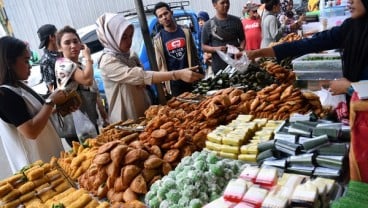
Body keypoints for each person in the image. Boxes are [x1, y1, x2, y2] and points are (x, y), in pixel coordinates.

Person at [244, 0, 368, 182]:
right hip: (359, 118)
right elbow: (308, 44)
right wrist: (258, 53)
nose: (349, 1)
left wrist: (350, 86)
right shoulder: (352, 26)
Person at [96, 13, 203, 123]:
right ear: (111, 37)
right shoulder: (107, 61)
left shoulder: (130, 54)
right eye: (123, 37)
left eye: (130, 36)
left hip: (144, 113)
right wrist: (177, 74)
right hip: (125, 119)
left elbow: (143, 79)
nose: (129, 41)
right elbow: (141, 76)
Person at [0, 36, 70, 173]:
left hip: (49, 159)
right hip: (36, 168)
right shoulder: (4, 95)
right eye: (26, 61)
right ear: (9, 62)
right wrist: (51, 101)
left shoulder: (19, 86)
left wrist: (60, 108)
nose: (30, 65)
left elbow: (36, 114)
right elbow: (30, 131)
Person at [55, 25, 108, 135]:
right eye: (67, 43)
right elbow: (87, 80)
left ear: (81, 44)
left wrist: (103, 115)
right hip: (77, 125)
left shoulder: (80, 65)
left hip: (89, 120)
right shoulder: (63, 64)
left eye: (75, 41)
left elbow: (94, 90)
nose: (73, 46)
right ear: (59, 48)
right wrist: (88, 57)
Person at [153, 2, 203, 97]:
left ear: (171, 13)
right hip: (174, 83)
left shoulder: (185, 31)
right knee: (180, 109)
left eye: (166, 13)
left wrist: (199, 70)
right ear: (159, 20)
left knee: (197, 107)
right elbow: (159, 64)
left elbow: (194, 53)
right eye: (160, 16)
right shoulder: (158, 39)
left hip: (190, 77)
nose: (164, 17)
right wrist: (163, 84)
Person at [201, 0, 245, 74]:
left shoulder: (236, 21)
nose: (226, 5)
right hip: (219, 67)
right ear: (215, 5)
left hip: (236, 65)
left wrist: (240, 50)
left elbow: (243, 39)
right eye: (222, 3)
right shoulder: (208, 25)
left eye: (227, 2)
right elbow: (203, 46)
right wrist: (216, 49)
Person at [37, 24, 59, 94]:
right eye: (57, 34)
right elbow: (51, 88)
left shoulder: (61, 53)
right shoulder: (46, 61)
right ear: (51, 37)